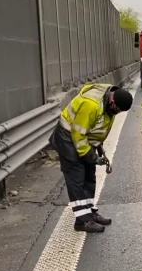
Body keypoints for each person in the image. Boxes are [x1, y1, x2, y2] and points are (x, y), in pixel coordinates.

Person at [49, 84, 133, 233]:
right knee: (77, 179)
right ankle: (82, 221)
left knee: (89, 176)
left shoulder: (108, 102)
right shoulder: (91, 105)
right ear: (113, 102)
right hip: (68, 138)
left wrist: (97, 146)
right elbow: (78, 133)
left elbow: (96, 127)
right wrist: (90, 156)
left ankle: (90, 213)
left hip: (83, 139)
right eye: (118, 110)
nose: (117, 113)